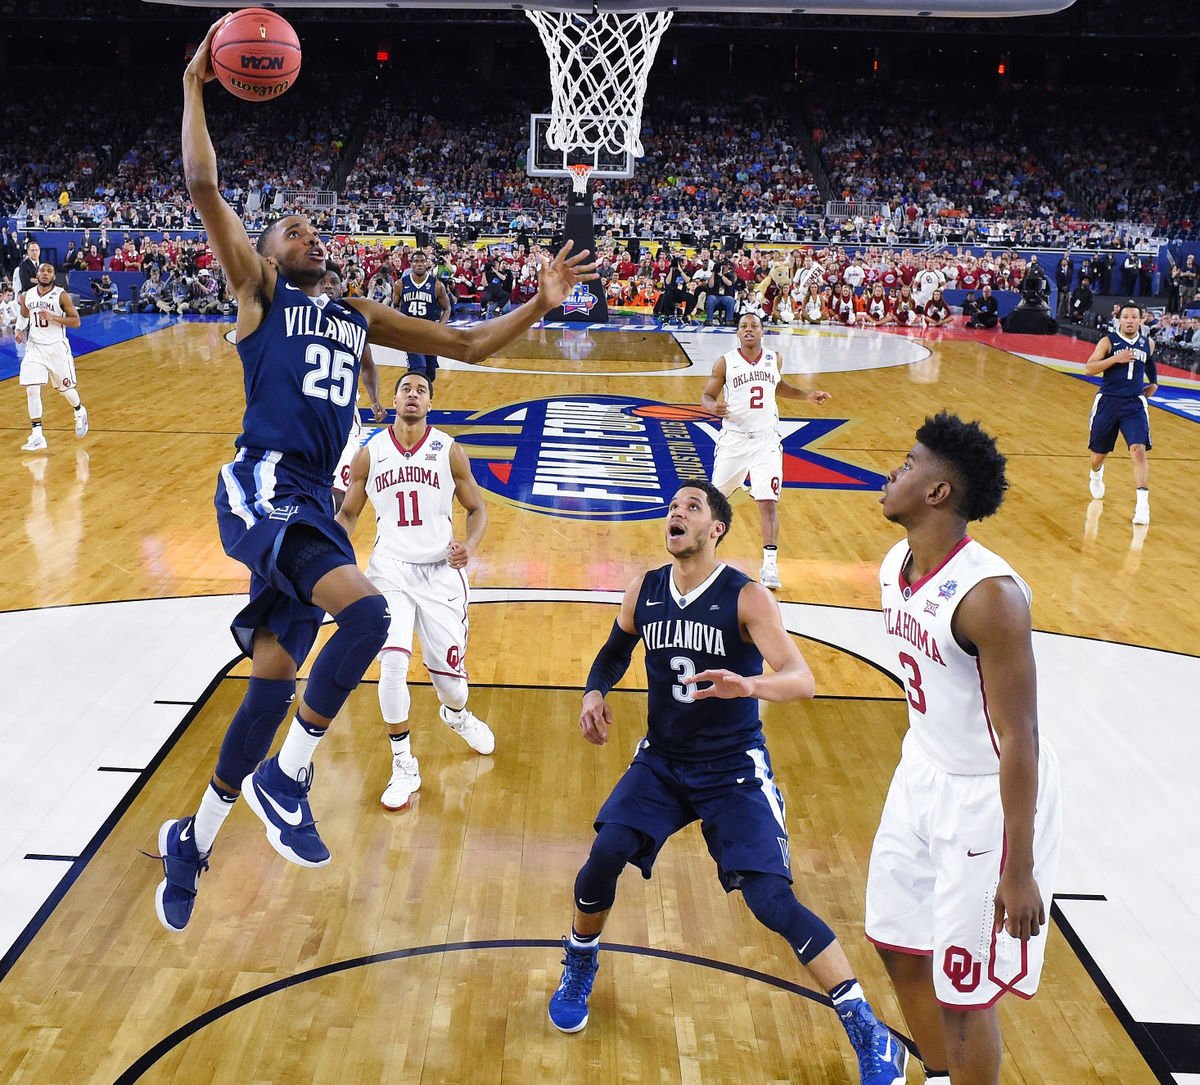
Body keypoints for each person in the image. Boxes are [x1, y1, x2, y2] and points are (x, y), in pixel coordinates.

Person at [151, 16, 595, 934]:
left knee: (272, 681)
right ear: (268, 254)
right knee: (370, 612)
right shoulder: (259, 294)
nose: (314, 235)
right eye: (297, 230)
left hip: (311, 500)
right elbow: (203, 183)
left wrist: (538, 303)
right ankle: (290, 777)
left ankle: (193, 837)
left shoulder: (354, 314)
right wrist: (195, 83)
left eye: (317, 229)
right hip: (262, 485)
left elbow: (465, 343)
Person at [546, 481, 908, 1085]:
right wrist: (594, 692)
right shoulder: (646, 589)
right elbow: (613, 652)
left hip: (734, 769)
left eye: (692, 508)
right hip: (662, 761)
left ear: (716, 528)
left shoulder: (746, 598)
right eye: (673, 507)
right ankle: (581, 960)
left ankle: (868, 1029)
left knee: (772, 902)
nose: (676, 514)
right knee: (601, 857)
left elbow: (802, 678)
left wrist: (751, 686)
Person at [868, 412, 1062, 1085]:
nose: (895, 470)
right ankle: (943, 1075)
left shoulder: (992, 597)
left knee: (964, 990)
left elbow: (1020, 735)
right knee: (896, 943)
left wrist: (1019, 867)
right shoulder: (895, 564)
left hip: (987, 796)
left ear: (938, 493)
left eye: (910, 461)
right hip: (920, 769)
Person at [336, 370, 494, 811]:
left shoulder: (449, 450)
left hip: (441, 572)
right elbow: (349, 513)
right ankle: (403, 763)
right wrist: (330, 547)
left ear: (430, 403)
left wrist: (471, 545)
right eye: (406, 388)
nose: (412, 394)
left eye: (421, 390)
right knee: (391, 665)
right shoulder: (371, 454)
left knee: (452, 688)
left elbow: (477, 507)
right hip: (390, 571)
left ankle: (456, 714)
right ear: (394, 398)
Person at [700, 312, 831, 590]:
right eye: (744, 326)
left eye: (754, 326)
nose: (749, 330)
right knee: (713, 501)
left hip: (766, 441)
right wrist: (712, 407)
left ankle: (769, 564)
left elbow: (777, 385)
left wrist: (806, 396)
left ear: (762, 332)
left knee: (768, 501)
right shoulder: (725, 362)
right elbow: (706, 396)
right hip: (733, 441)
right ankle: (701, 555)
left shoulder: (775, 358)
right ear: (737, 333)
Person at [1085, 301, 1157, 525]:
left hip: (1134, 403)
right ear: (1119, 319)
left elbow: (1149, 363)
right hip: (1108, 401)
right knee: (1098, 455)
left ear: (1140, 320)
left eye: (1134, 317)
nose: (1129, 320)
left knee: (1138, 450)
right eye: (1126, 317)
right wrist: (1115, 359)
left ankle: (1142, 506)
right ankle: (1096, 473)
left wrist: (1154, 382)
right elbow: (1089, 367)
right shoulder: (1108, 341)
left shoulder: (1148, 343)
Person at [17, 262, 88, 451]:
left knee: (66, 389)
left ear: (54, 276)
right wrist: (18, 329)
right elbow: (24, 315)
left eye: (49, 271)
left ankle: (80, 411)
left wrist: (54, 317)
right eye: (42, 270)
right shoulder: (27, 295)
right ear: (37, 274)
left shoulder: (61, 295)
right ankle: (37, 435)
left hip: (57, 348)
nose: (45, 274)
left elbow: (76, 321)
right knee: (32, 389)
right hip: (35, 347)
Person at [392, 249, 451, 385]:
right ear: (411, 264)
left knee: (430, 373)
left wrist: (440, 327)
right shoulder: (400, 284)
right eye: (416, 261)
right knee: (419, 368)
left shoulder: (437, 285)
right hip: (410, 333)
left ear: (427, 264)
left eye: (422, 261)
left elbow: (447, 308)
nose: (419, 264)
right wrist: (397, 325)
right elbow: (394, 306)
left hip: (429, 333)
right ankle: (412, 396)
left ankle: (421, 396)